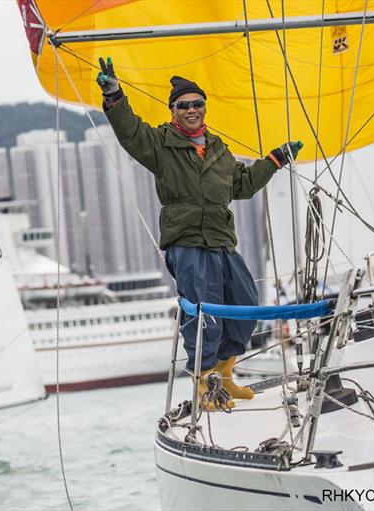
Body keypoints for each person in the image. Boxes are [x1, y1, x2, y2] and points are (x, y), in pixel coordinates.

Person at [96, 57, 302, 410]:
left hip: (221, 239)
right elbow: (130, 131)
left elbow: (243, 184)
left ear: (205, 107)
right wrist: (115, 97)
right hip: (187, 242)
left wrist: (274, 161)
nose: (191, 109)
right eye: (183, 105)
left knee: (244, 304)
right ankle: (206, 385)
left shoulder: (219, 149)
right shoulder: (161, 145)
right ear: (173, 110)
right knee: (204, 314)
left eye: (197, 104)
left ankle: (225, 376)